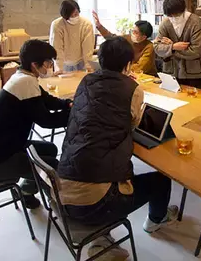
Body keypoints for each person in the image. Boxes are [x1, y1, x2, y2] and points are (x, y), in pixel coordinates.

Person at [58, 36, 178, 257]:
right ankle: (156, 220)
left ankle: (103, 238)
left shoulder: (86, 80)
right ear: (128, 64)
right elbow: (133, 123)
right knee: (161, 179)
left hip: (62, 190)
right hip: (95, 202)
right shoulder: (132, 88)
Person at [0, 40, 72, 208]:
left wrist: (67, 104)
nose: (50, 66)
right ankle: (60, 208)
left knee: (49, 149)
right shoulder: (25, 82)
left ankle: (26, 191)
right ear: (35, 64)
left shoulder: (22, 77)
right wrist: (74, 115)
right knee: (51, 166)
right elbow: (46, 121)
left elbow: (47, 100)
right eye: (48, 62)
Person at [153, 0, 201, 89]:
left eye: (176, 15)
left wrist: (170, 50)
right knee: (170, 98)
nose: (173, 18)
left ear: (184, 10)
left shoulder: (195, 22)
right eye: (170, 16)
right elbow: (157, 48)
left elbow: (196, 51)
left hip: (194, 74)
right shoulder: (165, 23)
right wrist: (173, 47)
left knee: (196, 98)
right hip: (171, 72)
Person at [92, 10, 157, 76]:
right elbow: (113, 38)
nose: (132, 33)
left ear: (144, 37)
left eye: (136, 32)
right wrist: (99, 26)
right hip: (127, 73)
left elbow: (140, 67)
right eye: (133, 30)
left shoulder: (149, 47)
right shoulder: (127, 38)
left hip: (147, 77)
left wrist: (121, 68)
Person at [49, 0, 95, 73]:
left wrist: (88, 65)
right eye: (70, 15)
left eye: (76, 14)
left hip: (81, 61)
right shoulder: (57, 25)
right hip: (64, 63)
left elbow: (88, 47)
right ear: (64, 15)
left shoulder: (86, 24)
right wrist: (58, 67)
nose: (74, 17)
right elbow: (57, 47)